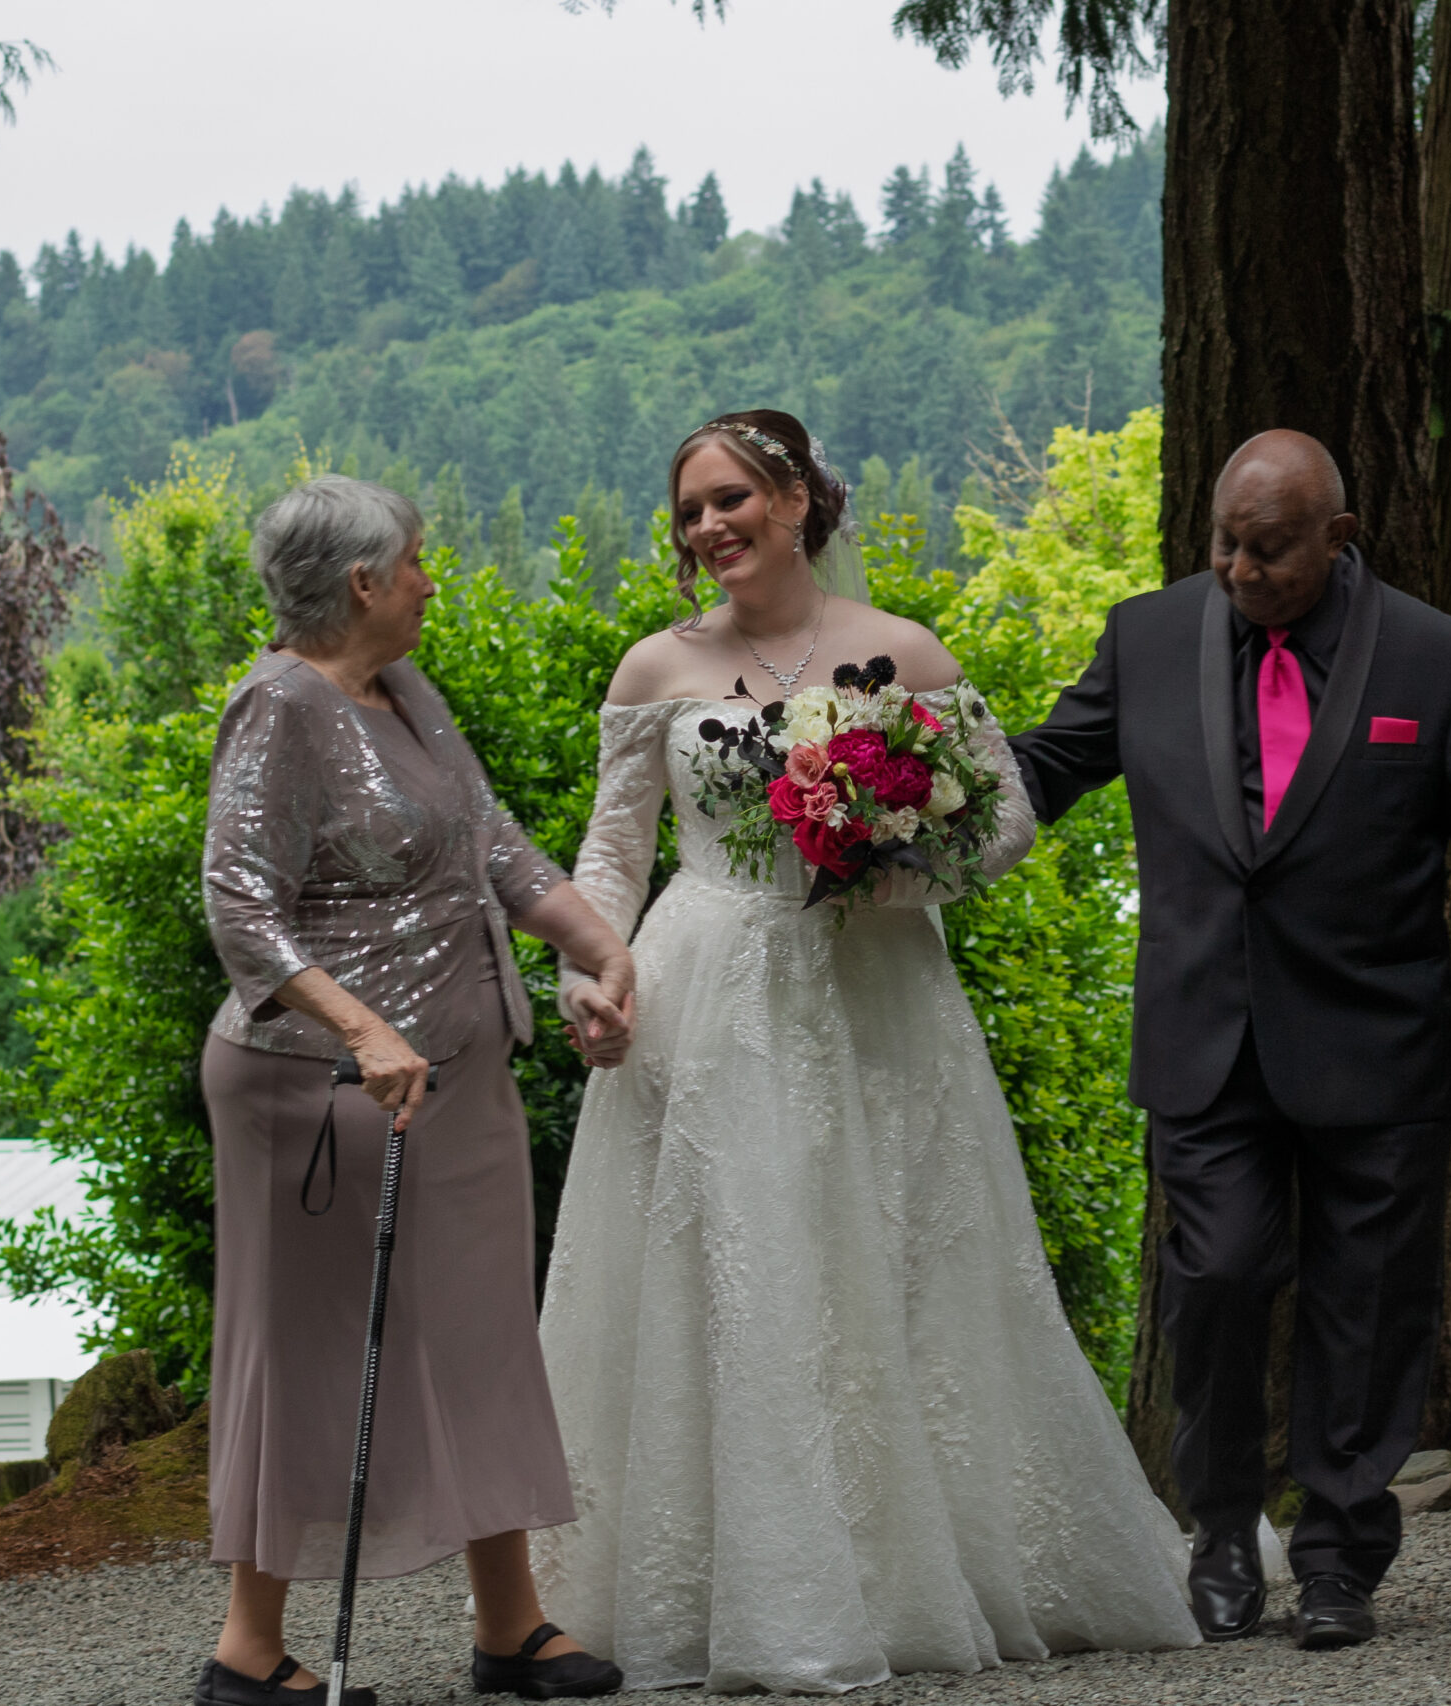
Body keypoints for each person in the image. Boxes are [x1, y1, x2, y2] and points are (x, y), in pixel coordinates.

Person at [531, 411, 1211, 1694]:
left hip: (876, 990)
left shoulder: (899, 651)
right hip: (710, 987)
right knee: (744, 1271)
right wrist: (588, 973)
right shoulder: (652, 668)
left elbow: (1002, 820)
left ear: (794, 499)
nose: (708, 528)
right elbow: (610, 859)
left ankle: (909, 1565)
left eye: (729, 499)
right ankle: (745, 1581)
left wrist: (892, 870)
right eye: (688, 512)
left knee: (891, 1254)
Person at [1007, 430, 1451, 1652]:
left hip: (1377, 1045)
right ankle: (1221, 1527)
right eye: (1223, 541)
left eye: (1268, 547)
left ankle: (1338, 1554)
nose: (1238, 566)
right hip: (1203, 1038)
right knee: (1215, 1276)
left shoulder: (1440, 662)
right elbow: (1042, 769)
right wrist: (895, 790)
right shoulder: (1147, 636)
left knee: (1367, 1304)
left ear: (1337, 537)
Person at [197, 475, 639, 1706]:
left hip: (461, 1072)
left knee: (484, 1335)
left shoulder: (406, 692)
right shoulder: (277, 706)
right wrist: (362, 1028)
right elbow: (241, 908)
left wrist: (594, 946)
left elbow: (492, 843)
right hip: (322, 1089)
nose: (431, 579)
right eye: (419, 560)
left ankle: (513, 1627)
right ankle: (246, 1650)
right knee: (305, 1352)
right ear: (362, 582)